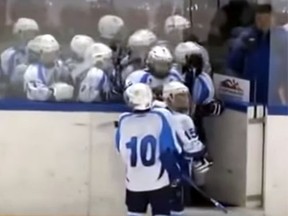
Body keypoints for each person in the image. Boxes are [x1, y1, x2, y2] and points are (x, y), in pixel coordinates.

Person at [115, 83, 182, 216]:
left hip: (133, 182)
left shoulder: (123, 120)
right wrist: (175, 174)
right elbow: (167, 151)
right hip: (158, 182)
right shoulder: (159, 117)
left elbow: (119, 148)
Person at [227, 3, 287, 104]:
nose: (262, 23)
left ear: (273, 18)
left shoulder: (282, 38)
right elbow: (233, 65)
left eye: (266, 19)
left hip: (274, 100)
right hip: (250, 97)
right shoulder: (247, 38)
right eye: (259, 19)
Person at [162, 81, 206, 215]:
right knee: (174, 203)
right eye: (180, 97)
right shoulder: (183, 119)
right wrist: (201, 153)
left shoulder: (158, 114)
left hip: (163, 167)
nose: (184, 101)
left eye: (186, 96)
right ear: (168, 98)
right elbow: (193, 148)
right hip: (178, 166)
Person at [23, 34, 73, 101]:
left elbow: (68, 81)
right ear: (41, 53)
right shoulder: (32, 71)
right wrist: (56, 92)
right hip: (37, 108)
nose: (58, 54)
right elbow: (38, 94)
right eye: (53, 52)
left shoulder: (60, 65)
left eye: (57, 51)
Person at [0, 17, 39, 96]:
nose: (31, 37)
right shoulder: (8, 55)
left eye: (33, 33)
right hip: (13, 96)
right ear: (19, 34)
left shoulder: (42, 53)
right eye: (28, 33)